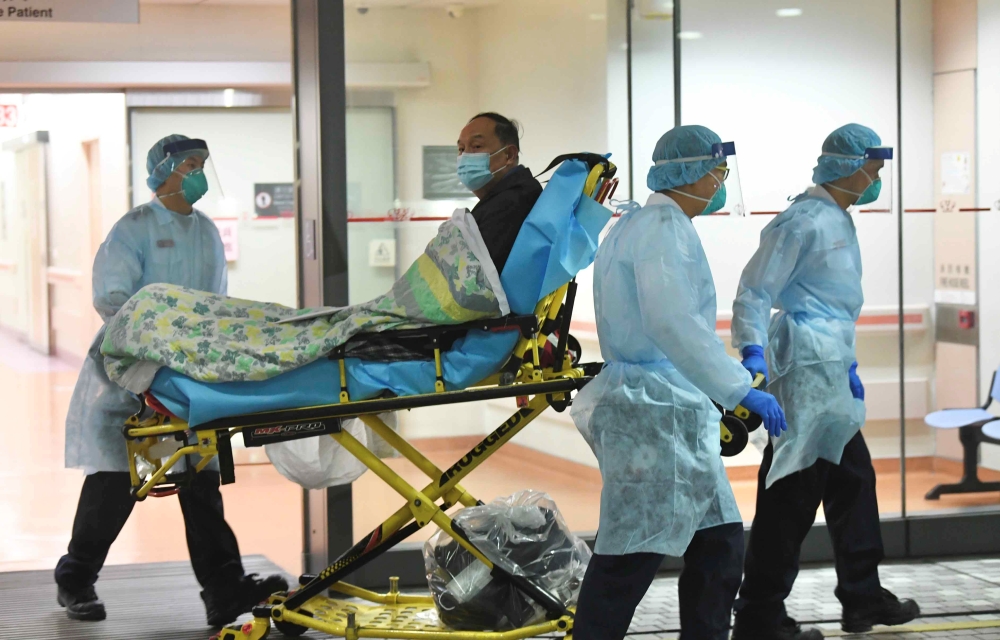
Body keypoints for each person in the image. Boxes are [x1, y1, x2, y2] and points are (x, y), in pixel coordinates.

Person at [56, 134, 287, 626]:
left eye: (203, 163)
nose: (200, 173)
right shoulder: (134, 228)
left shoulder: (207, 232)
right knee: (116, 482)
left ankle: (224, 589)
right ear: (164, 171)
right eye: (190, 164)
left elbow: (215, 304)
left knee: (201, 482)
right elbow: (112, 298)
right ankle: (75, 578)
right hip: (135, 376)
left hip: (190, 379)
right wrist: (154, 351)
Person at [569, 125, 788, 640]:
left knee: (720, 544)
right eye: (718, 172)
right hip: (654, 412)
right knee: (629, 558)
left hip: (668, 408)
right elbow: (671, 321)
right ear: (693, 173)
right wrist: (739, 388)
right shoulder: (661, 228)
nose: (720, 183)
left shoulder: (640, 223)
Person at [730, 124, 919, 640]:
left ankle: (862, 595)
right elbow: (754, 291)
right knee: (791, 494)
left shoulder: (837, 218)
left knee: (852, 482)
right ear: (847, 166)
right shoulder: (801, 221)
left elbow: (833, 305)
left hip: (830, 367)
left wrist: (846, 363)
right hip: (805, 372)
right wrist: (751, 352)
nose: (876, 180)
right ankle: (759, 614)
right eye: (872, 170)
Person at [457, 112, 543, 273]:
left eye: (476, 146)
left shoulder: (512, 203)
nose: (465, 156)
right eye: (461, 149)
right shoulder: (509, 196)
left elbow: (470, 278)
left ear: (509, 155)